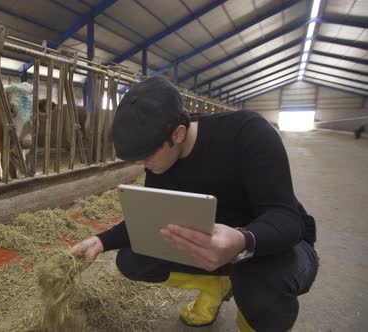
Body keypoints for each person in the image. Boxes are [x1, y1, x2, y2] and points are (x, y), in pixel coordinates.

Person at [70, 76, 319, 332]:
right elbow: (153, 216)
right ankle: (216, 286)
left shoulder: (248, 132)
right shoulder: (161, 159)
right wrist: (101, 241)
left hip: (274, 245)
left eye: (145, 156)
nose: (140, 164)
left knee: (259, 285)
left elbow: (288, 220)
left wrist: (243, 241)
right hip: (213, 243)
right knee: (133, 259)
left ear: (178, 134)